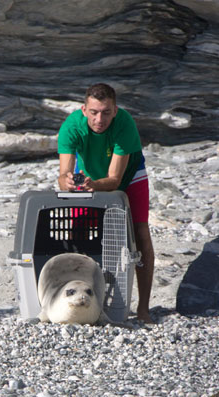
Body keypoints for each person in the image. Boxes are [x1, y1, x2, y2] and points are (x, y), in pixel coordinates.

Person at [56, 83, 155, 324]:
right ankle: (75, 301)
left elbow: (115, 180)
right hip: (89, 174)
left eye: (106, 112)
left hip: (129, 176)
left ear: (115, 110)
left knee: (140, 232)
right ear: (84, 109)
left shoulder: (124, 124)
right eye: (94, 112)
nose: (100, 119)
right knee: (75, 232)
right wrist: (68, 182)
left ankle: (143, 309)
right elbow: (61, 177)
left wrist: (93, 186)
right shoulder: (71, 127)